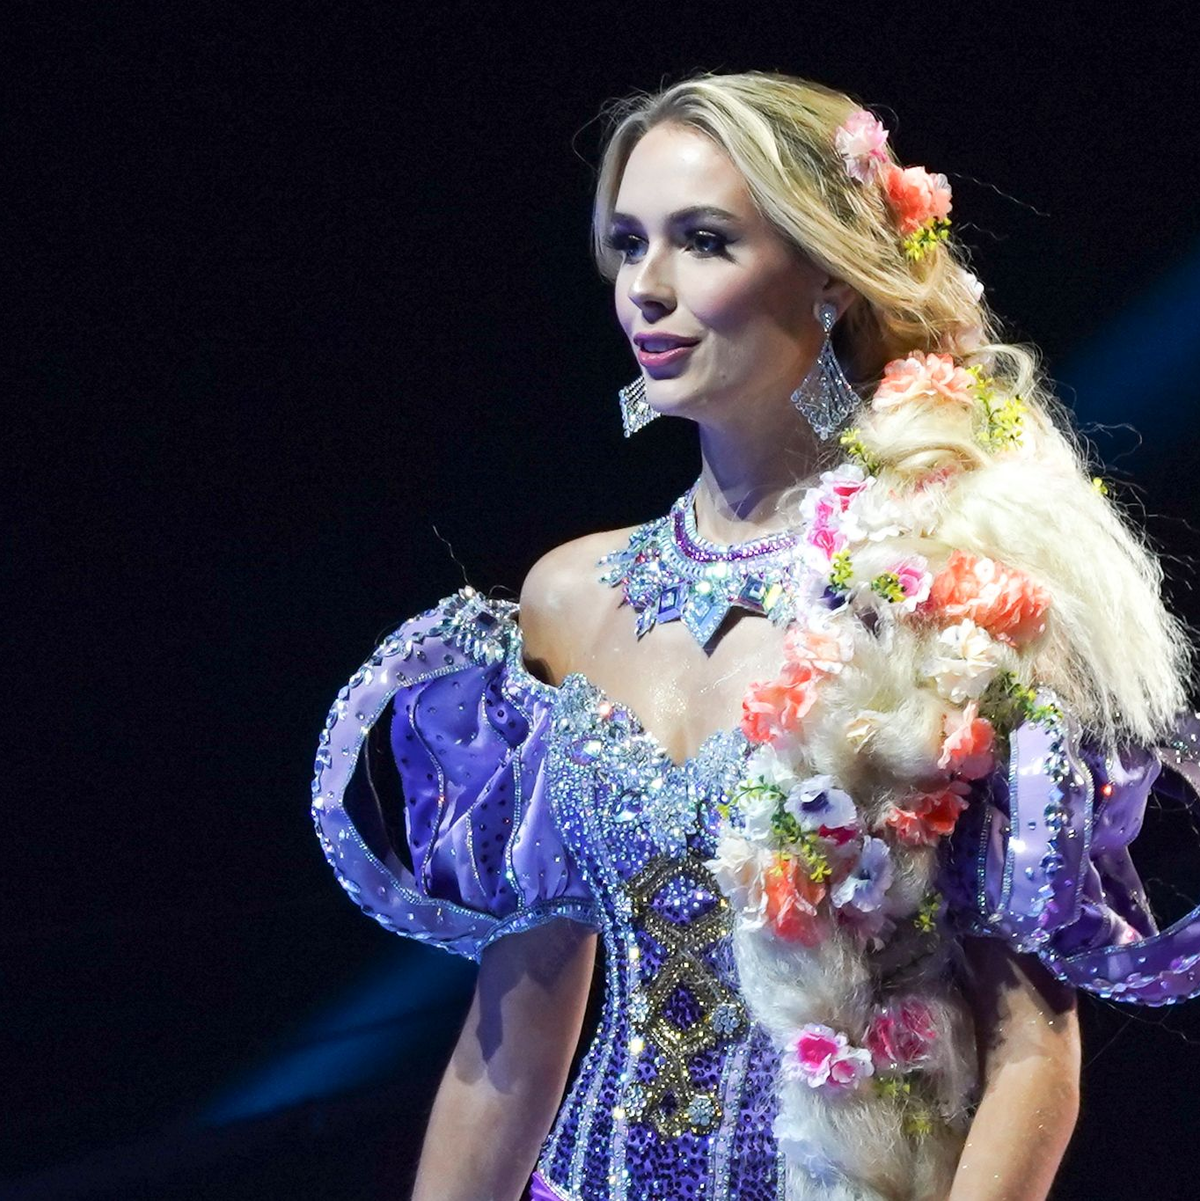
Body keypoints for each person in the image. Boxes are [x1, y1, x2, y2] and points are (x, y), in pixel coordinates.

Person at [311, 72, 1200, 1201]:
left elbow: (1035, 1053)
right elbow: (512, 1039)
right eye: (629, 244)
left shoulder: (942, 586)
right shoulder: (570, 597)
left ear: (829, 272)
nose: (649, 288)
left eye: (704, 241)